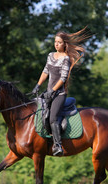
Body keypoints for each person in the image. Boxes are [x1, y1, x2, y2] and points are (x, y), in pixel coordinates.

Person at [32, 27, 90, 156]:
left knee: (53, 118)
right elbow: (45, 71)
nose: (56, 44)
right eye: (55, 42)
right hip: (48, 93)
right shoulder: (50, 56)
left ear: (64, 44)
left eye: (59, 42)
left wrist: (52, 91)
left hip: (59, 95)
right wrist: (38, 85)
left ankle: (58, 145)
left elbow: (63, 78)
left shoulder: (66, 59)